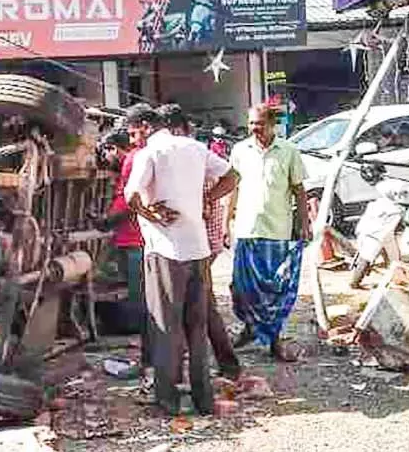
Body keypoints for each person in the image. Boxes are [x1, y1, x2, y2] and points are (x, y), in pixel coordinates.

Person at [125, 107, 239, 415]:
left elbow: (130, 196)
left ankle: (168, 400)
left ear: (145, 127)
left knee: (165, 326)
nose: (133, 139)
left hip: (166, 250)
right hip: (197, 249)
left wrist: (151, 215)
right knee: (197, 327)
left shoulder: (148, 154)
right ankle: (203, 399)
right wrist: (206, 198)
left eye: (133, 132)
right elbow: (232, 176)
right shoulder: (194, 147)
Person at [227, 104, 311, 362]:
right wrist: (226, 220)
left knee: (274, 290)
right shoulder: (240, 150)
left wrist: (304, 225)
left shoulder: (289, 151)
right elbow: (233, 186)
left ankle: (273, 340)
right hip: (246, 229)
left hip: (277, 231)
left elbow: (299, 191)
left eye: (259, 123)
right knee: (240, 287)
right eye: (251, 123)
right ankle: (250, 328)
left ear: (272, 124)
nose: (254, 128)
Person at [166, 112, 241, 379]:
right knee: (200, 307)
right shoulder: (194, 157)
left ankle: (221, 365)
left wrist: (204, 200)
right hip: (198, 245)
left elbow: (226, 185)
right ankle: (222, 364)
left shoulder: (195, 157)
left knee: (200, 308)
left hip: (198, 246)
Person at [94, 113, 150, 375]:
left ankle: (150, 360)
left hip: (135, 242)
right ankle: (153, 357)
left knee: (143, 304)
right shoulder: (133, 162)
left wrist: (104, 222)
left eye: (105, 153)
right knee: (144, 302)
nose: (106, 160)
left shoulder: (131, 161)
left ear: (113, 148)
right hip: (134, 241)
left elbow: (129, 203)